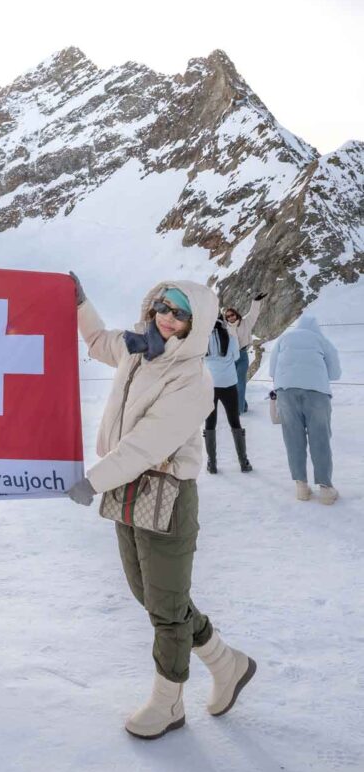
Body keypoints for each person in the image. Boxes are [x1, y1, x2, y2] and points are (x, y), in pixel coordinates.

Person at [67, 276, 256, 739]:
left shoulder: (193, 380)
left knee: (167, 611)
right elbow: (95, 340)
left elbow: (144, 447)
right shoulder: (137, 348)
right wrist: (80, 302)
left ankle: (168, 702)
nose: (167, 317)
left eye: (179, 313)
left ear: (197, 324)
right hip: (124, 489)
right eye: (162, 306)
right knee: (148, 594)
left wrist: (92, 481)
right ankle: (225, 662)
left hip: (165, 494)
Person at [270, 314, 342, 504]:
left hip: (286, 391)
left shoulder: (284, 338)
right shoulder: (321, 339)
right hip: (316, 392)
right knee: (320, 438)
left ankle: (301, 486)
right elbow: (335, 372)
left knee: (293, 438)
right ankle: (326, 489)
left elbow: (272, 369)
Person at [203, 315, 252, 474]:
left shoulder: (204, 340)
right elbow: (236, 357)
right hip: (229, 383)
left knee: (210, 423)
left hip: (210, 384)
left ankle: (212, 464)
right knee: (234, 421)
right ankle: (243, 462)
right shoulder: (231, 339)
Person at [223, 294, 266, 415]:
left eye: (232, 315)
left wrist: (255, 302)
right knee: (232, 384)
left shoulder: (246, 322)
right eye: (228, 316)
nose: (231, 317)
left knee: (240, 383)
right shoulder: (225, 328)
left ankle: (238, 410)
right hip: (230, 359)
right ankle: (243, 405)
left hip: (242, 356)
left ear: (236, 314)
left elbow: (253, 314)